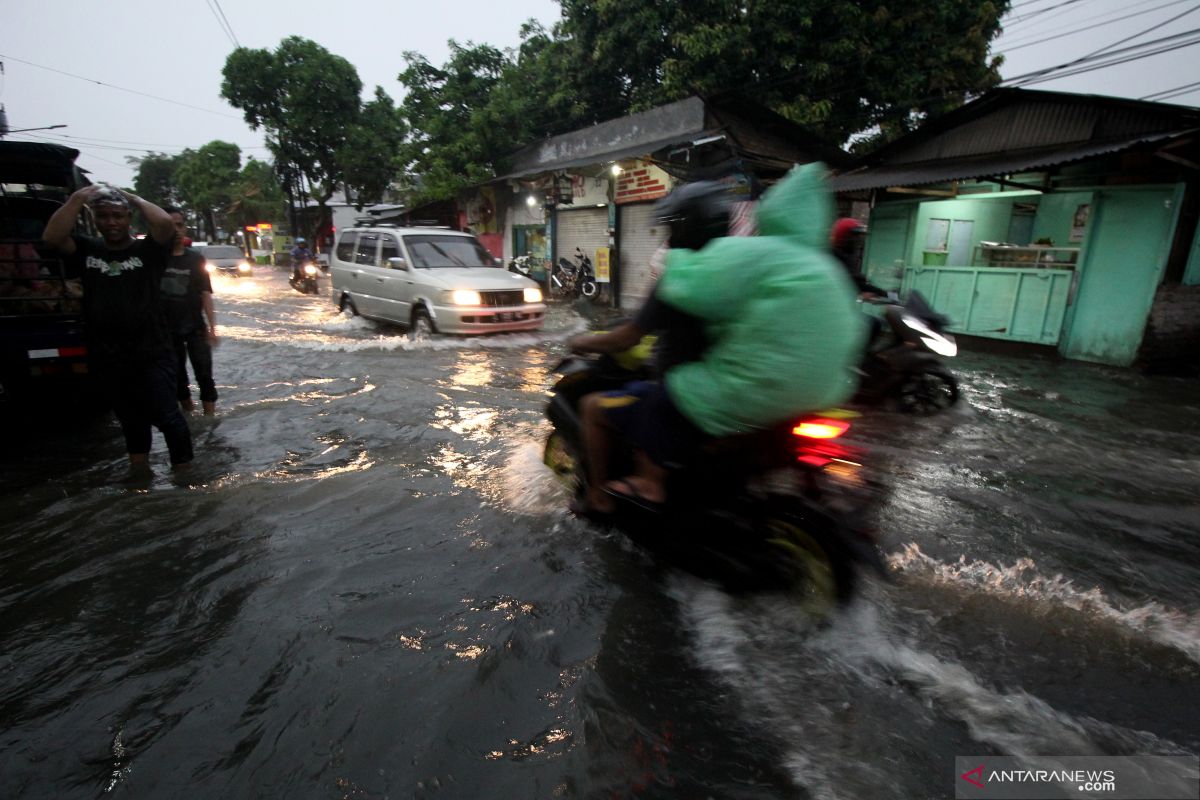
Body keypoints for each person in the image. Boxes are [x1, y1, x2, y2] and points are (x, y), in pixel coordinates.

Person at [572, 163, 866, 514]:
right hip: (825, 389)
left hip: (731, 392)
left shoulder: (698, 271)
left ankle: (613, 494)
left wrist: (580, 342)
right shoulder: (821, 266)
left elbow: (627, 337)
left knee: (602, 405)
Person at [42, 185, 193, 469]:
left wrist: (134, 198)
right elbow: (52, 237)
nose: (111, 222)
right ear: (96, 220)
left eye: (118, 216)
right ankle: (139, 476)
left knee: (168, 417)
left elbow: (162, 224)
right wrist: (78, 199)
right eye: (104, 216)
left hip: (153, 351)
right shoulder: (87, 249)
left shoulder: (147, 250)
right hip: (108, 354)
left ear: (128, 218)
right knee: (131, 419)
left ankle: (186, 477)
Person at [161, 208, 219, 415]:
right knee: (177, 378)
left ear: (185, 227)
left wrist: (212, 328)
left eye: (179, 225)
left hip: (195, 327)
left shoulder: (195, 259)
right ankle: (188, 414)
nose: (176, 230)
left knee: (204, 374)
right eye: (170, 226)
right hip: (166, 330)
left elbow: (206, 295)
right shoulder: (155, 259)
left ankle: (210, 419)